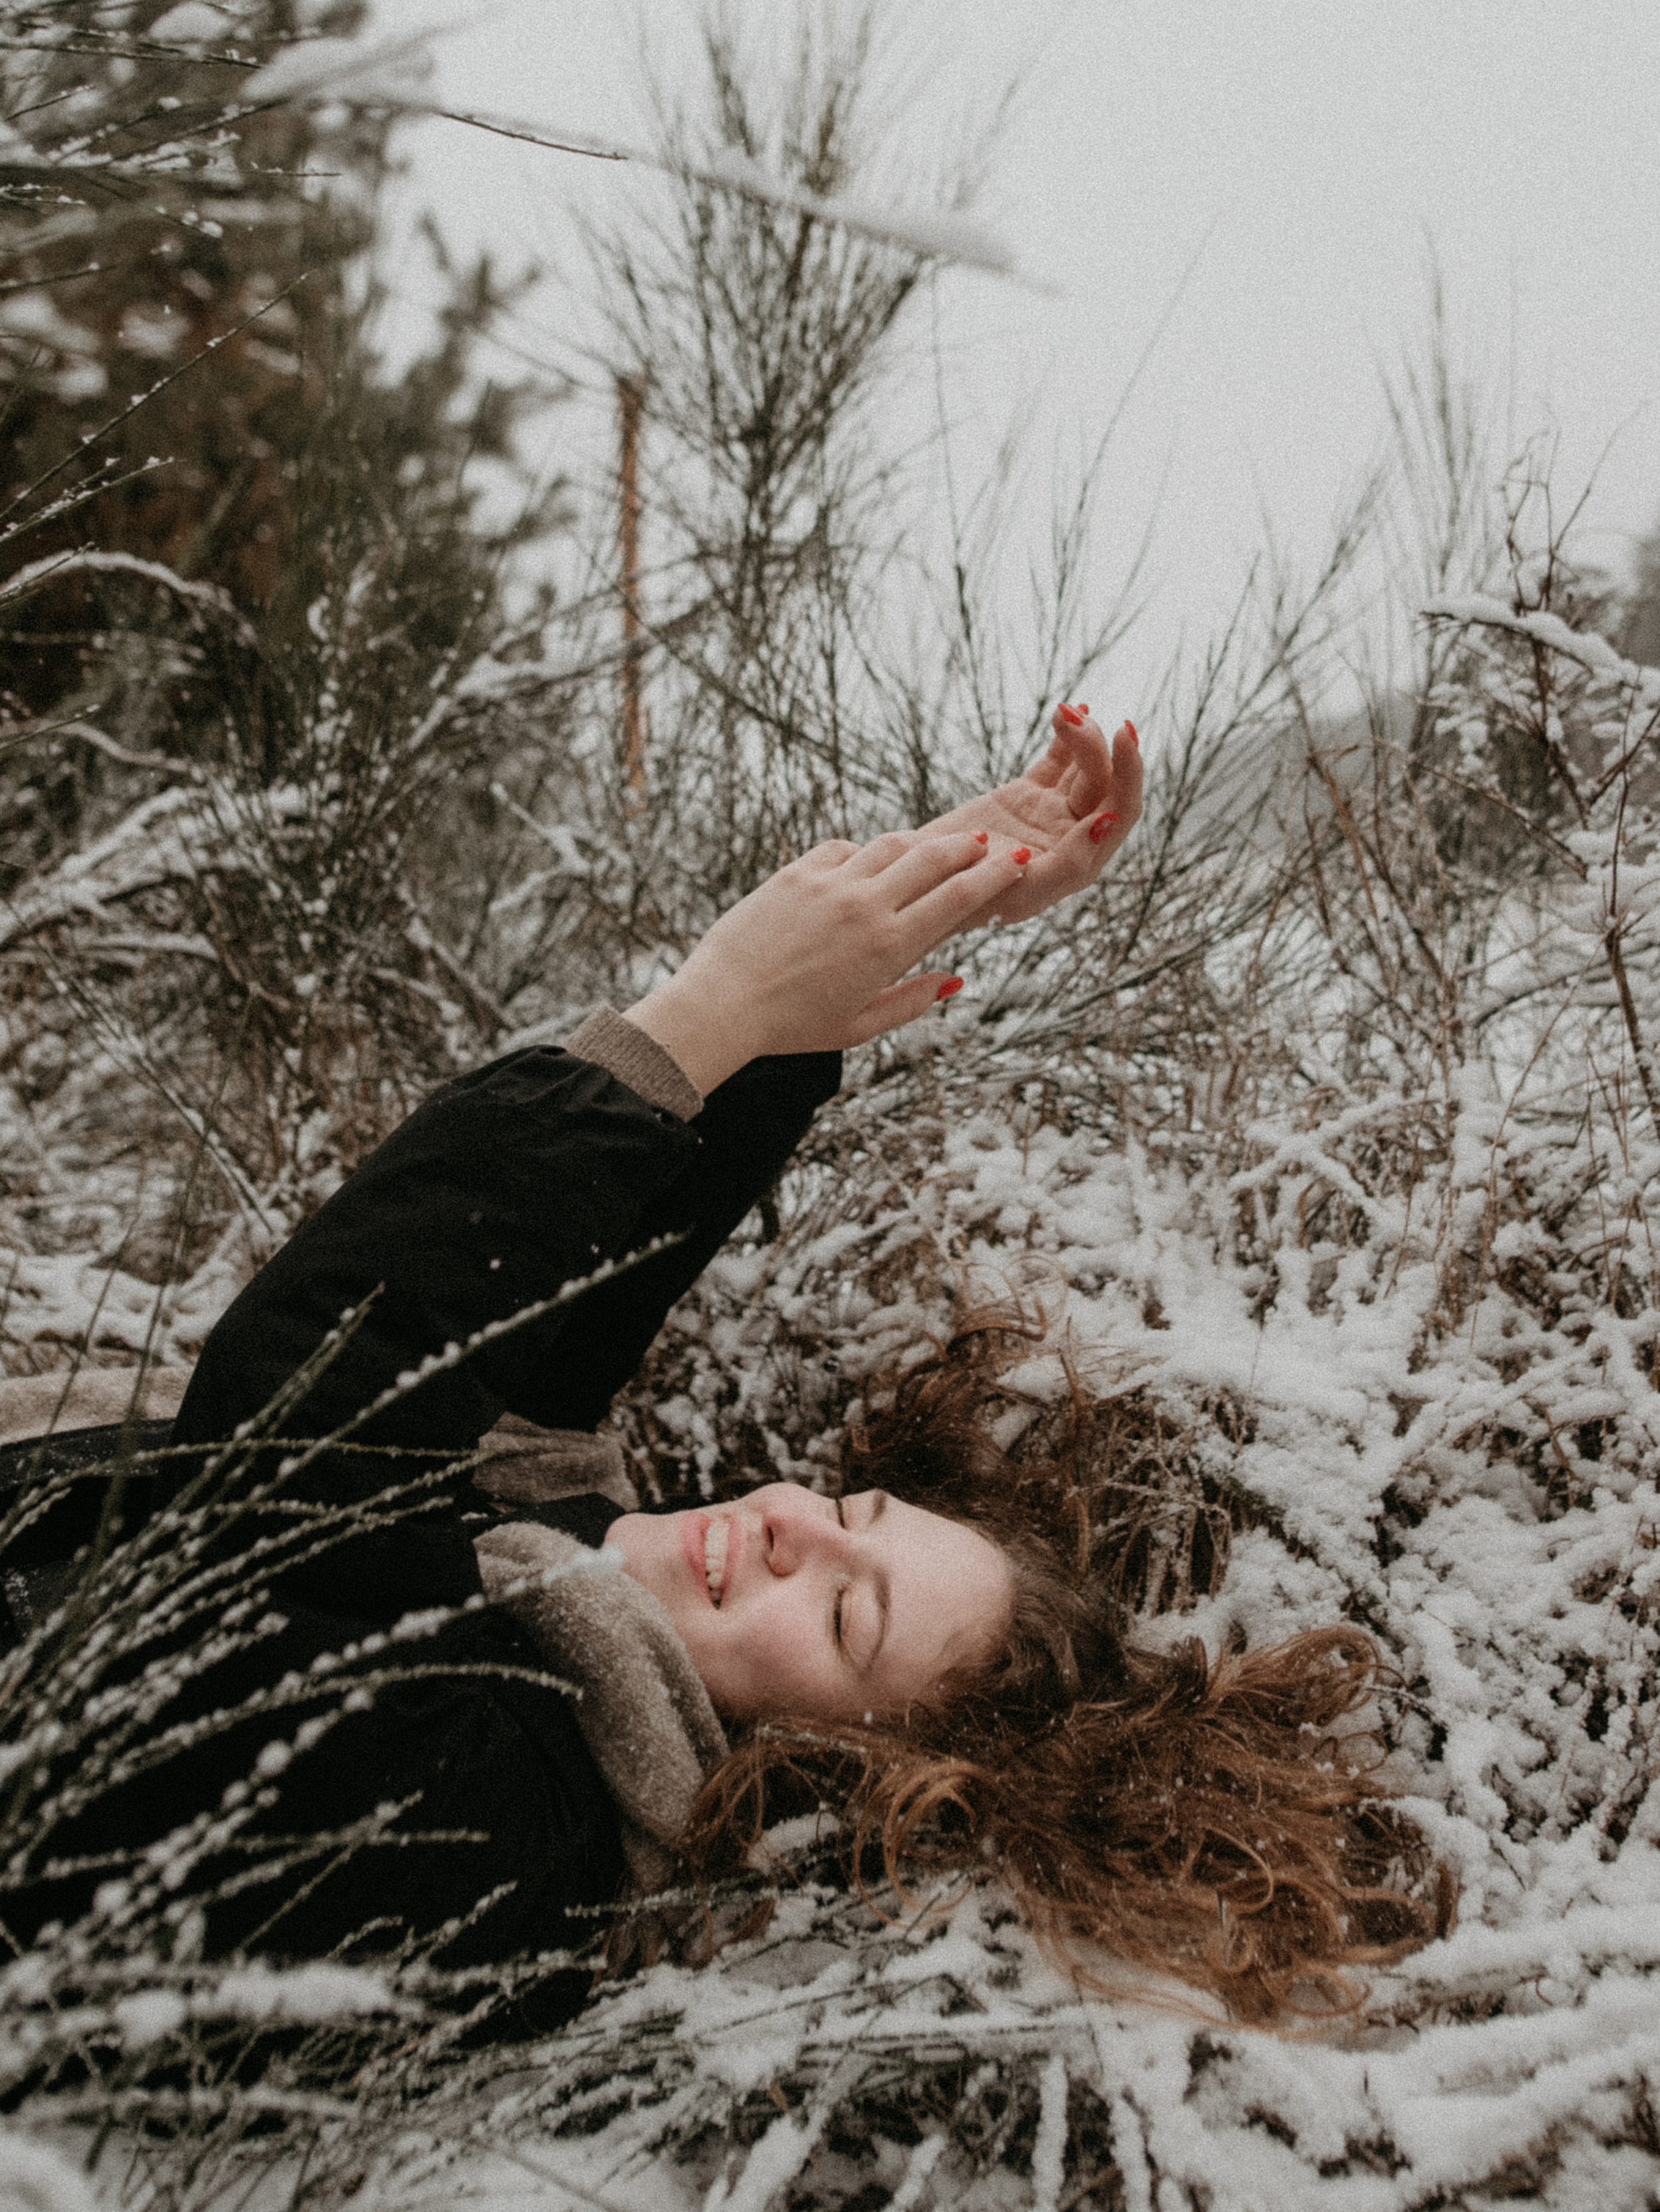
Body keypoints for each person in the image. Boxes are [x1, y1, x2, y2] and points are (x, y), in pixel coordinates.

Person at [0, 708, 1441, 2029]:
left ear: (826, 1770)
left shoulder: (501, 1834)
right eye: (855, 1515)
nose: (791, 1530)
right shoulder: (565, 1600)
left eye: (844, 1616)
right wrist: (890, 927)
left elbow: (311, 1427)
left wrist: (712, 1007)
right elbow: (568, 1318)